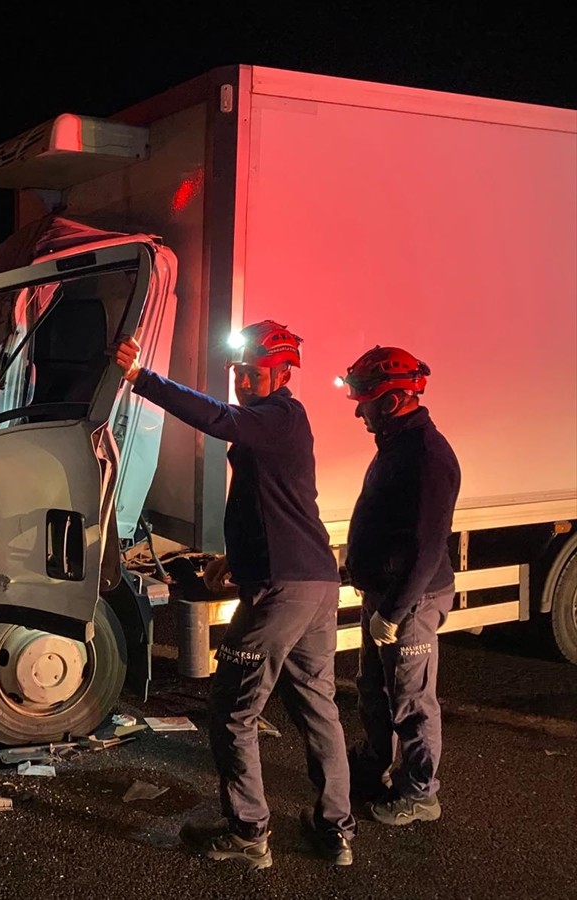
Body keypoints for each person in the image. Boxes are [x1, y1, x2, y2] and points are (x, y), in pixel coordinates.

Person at [116, 320, 356, 869]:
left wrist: (141, 377)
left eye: (254, 374)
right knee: (318, 709)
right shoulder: (276, 422)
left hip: (284, 590)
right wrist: (239, 562)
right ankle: (335, 830)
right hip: (311, 581)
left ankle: (248, 832)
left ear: (283, 373)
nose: (244, 382)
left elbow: (218, 420)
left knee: (232, 709)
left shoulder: (280, 416)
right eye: (239, 373)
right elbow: (270, 503)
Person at [338, 346, 460, 826]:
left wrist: (395, 610)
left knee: (411, 700)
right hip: (387, 596)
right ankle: (375, 761)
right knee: (375, 688)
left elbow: (428, 546)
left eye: (365, 399)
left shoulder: (428, 456)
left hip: (412, 600)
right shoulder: (398, 447)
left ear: (390, 402)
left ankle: (421, 791)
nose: (358, 410)